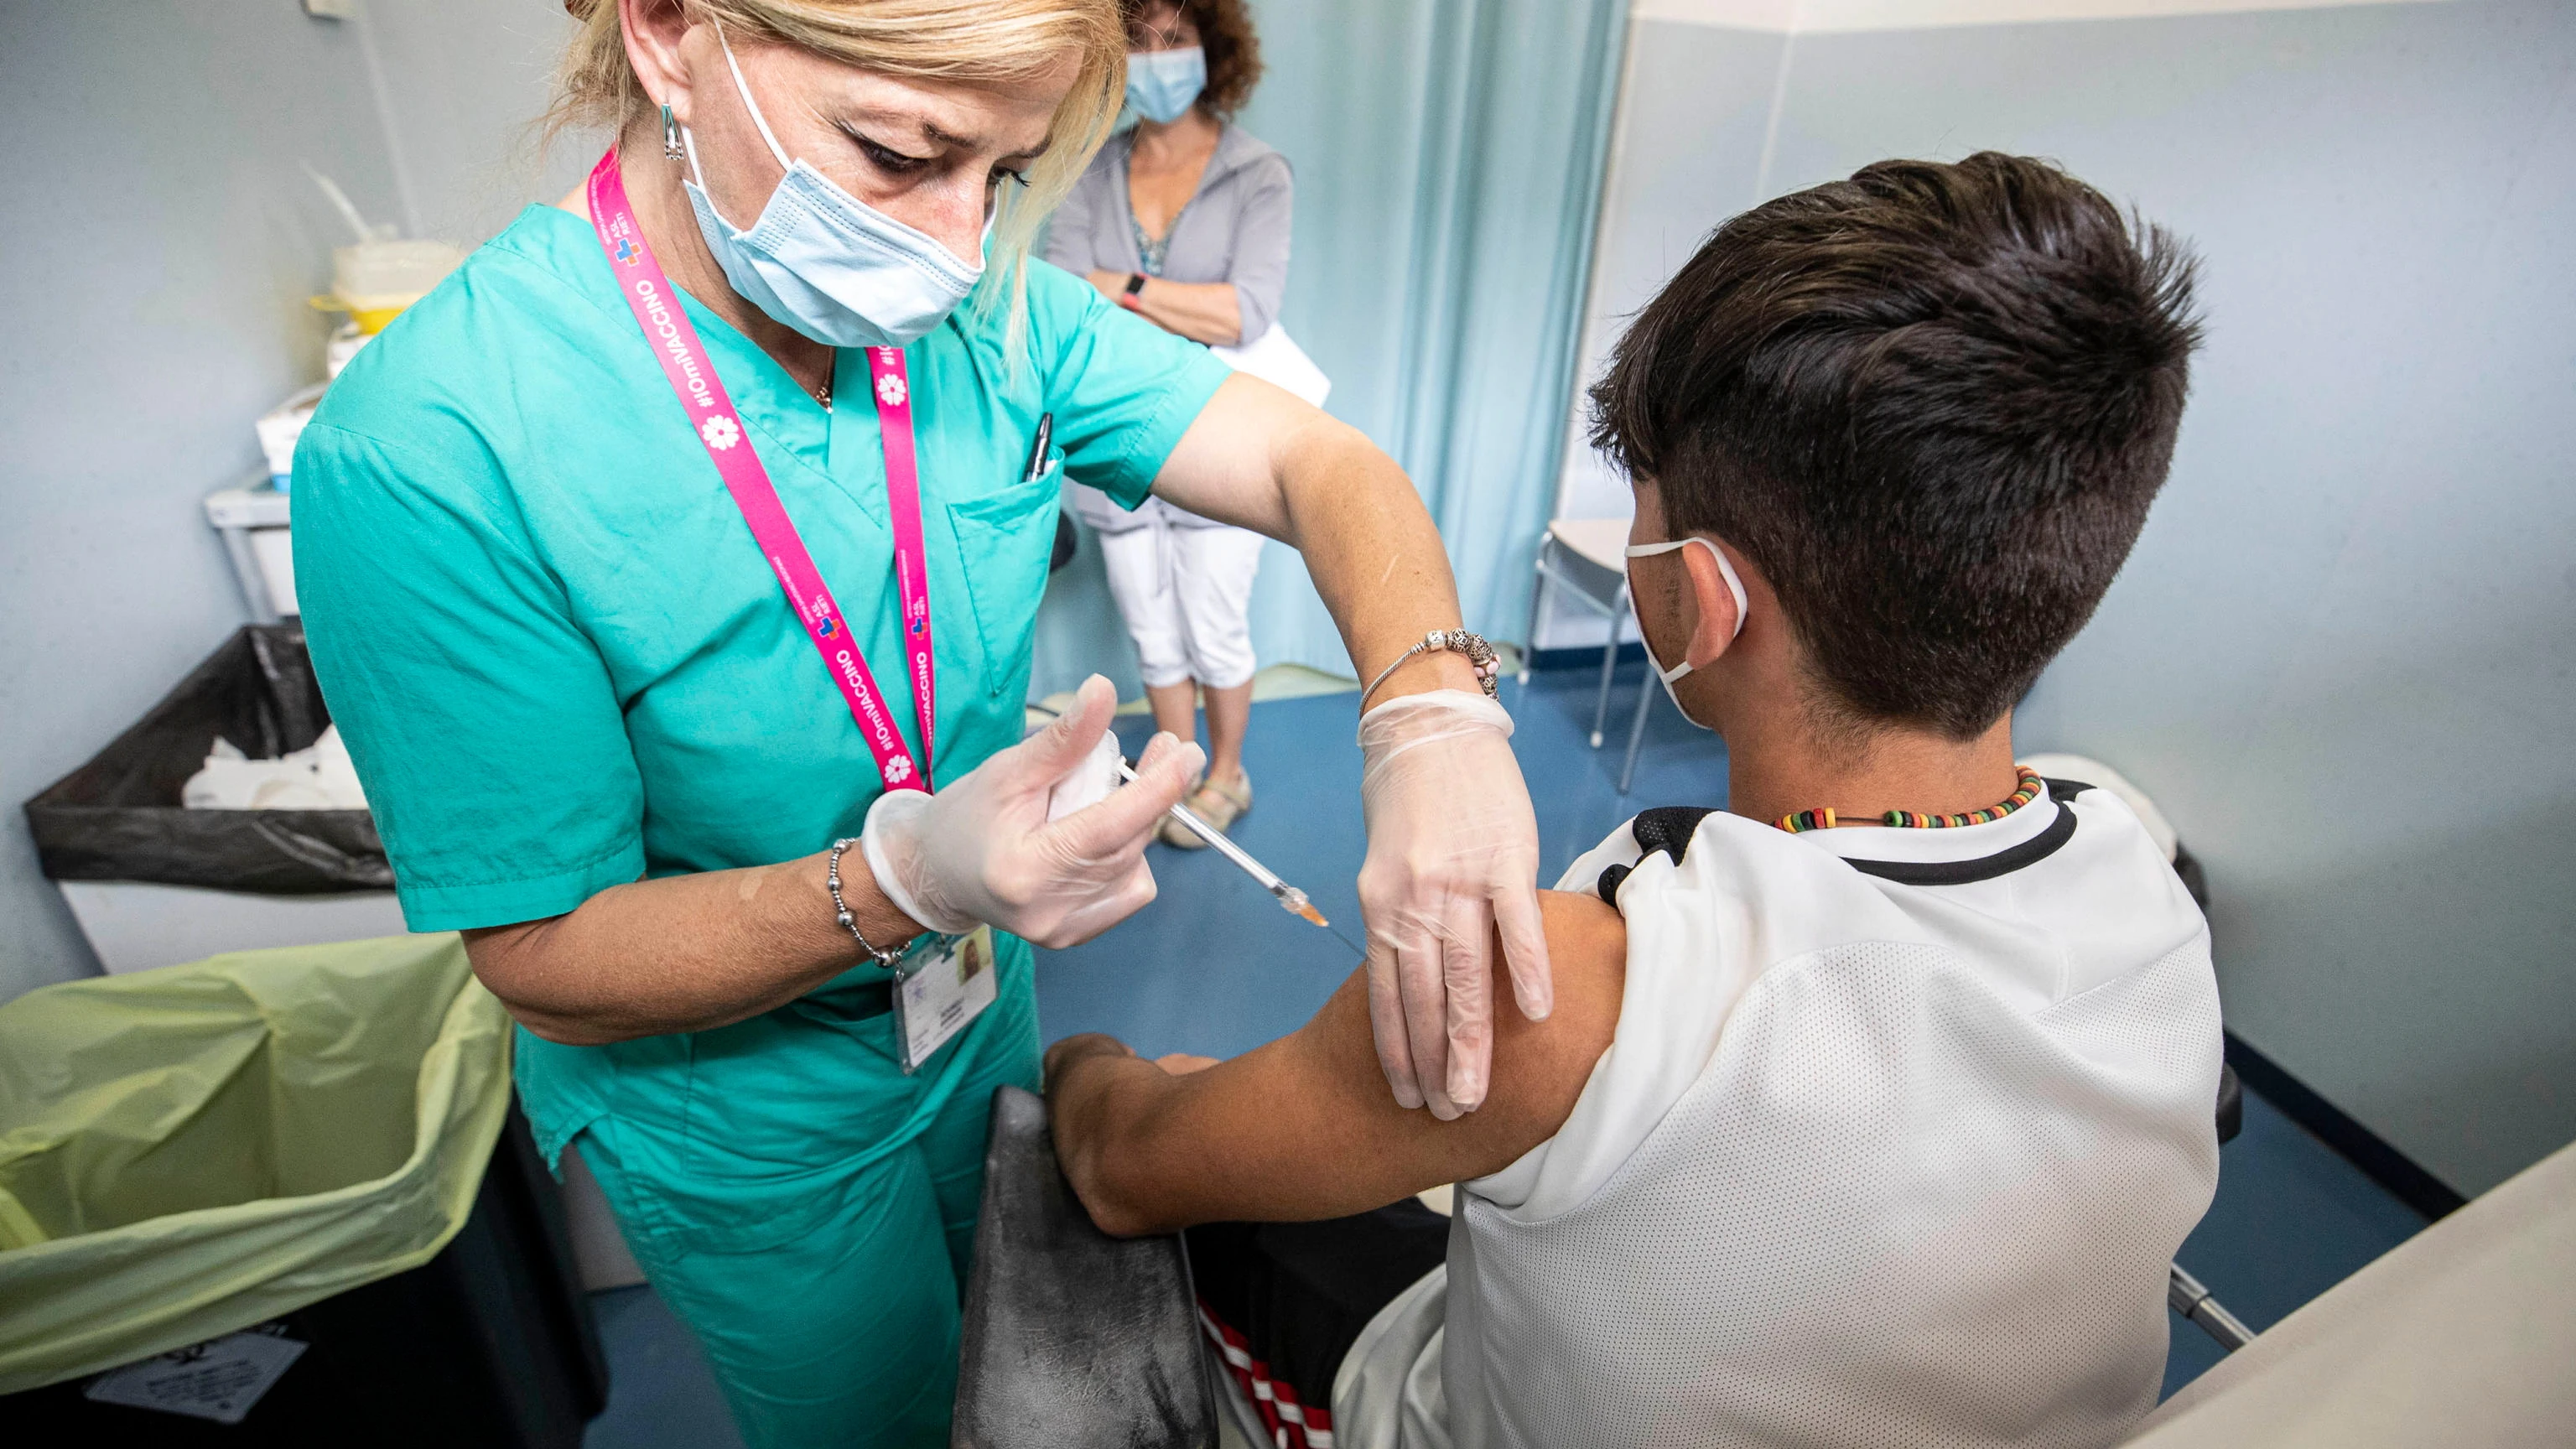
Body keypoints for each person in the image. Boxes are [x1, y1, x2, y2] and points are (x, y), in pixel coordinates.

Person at [288, 1, 1550, 1443]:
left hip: (971, 1005)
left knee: (1022, 1342)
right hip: (747, 1116)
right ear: (664, 29)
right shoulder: (434, 448)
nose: (959, 245)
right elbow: (543, 950)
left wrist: (1431, 712)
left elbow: (1315, 459)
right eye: (899, 152)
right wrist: (897, 881)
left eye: (1006, 177)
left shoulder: (990, 310)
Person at [1047, 153, 2220, 1449]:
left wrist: (1091, 1066)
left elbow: (1123, 1163)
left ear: (1704, 599)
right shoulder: (2148, 898)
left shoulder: (1581, 990)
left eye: (1641, 505)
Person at [1043, 0, 1303, 844]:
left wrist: (1124, 287)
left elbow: (1247, 312)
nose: (1157, 58)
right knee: (1151, 624)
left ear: (1212, 48)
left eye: (1175, 39)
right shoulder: (1090, 169)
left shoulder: (1257, 173)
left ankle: (1229, 773)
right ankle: (1180, 766)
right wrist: (1165, 301)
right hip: (1112, 435)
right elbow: (1059, 289)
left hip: (1220, 437)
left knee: (1215, 622)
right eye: (1140, 41)